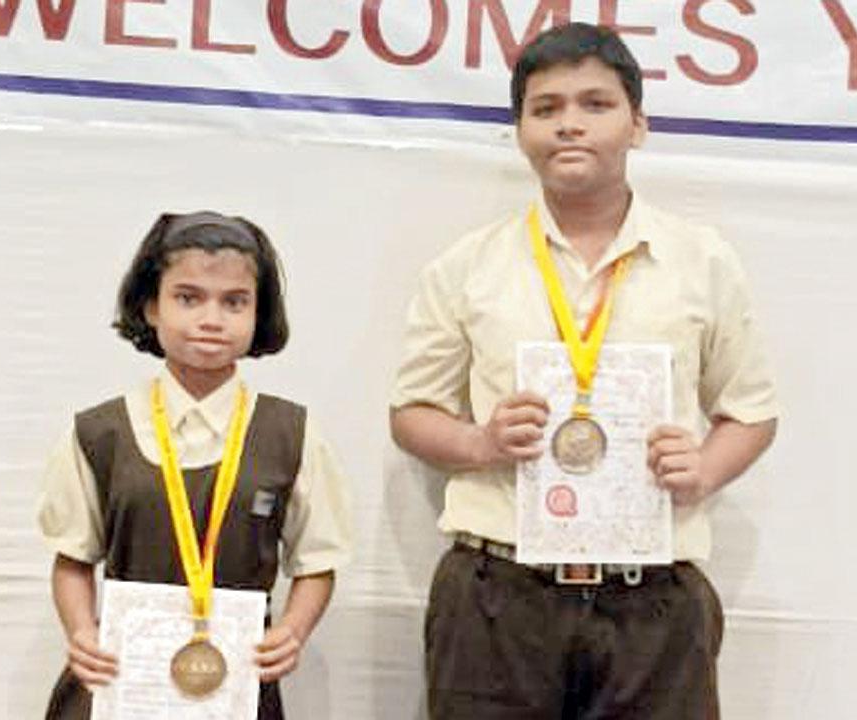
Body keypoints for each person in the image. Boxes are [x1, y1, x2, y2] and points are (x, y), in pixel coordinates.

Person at [390, 22, 779, 719]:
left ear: (638, 124)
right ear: (520, 131)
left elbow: (750, 409)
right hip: (496, 595)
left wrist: (706, 469)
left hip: (655, 596)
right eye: (547, 108)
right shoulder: (468, 266)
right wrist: (481, 442)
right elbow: (412, 412)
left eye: (595, 105)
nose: (570, 125)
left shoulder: (702, 260)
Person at [39, 211, 352, 719]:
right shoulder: (100, 433)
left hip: (233, 691)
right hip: (120, 686)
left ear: (259, 312)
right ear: (151, 307)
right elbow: (73, 557)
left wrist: (292, 631)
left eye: (234, 302)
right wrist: (81, 632)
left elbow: (317, 562)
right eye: (188, 298)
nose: (211, 319)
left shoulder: (291, 436)